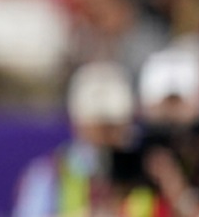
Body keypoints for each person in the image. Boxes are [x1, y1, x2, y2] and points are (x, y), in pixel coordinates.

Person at [12, 61, 136, 217]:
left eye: (112, 125)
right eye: (98, 125)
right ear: (77, 122)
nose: (106, 134)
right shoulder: (48, 174)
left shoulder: (150, 171)